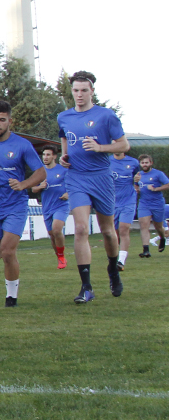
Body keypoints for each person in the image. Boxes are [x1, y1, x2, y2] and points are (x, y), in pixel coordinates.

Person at [56, 70, 129, 302]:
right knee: (80, 229)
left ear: (92, 91)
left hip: (101, 178)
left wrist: (100, 148)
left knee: (108, 231)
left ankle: (112, 270)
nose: (79, 95)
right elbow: (65, 137)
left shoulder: (106, 116)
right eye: (75, 90)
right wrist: (64, 157)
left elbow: (123, 145)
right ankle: (86, 287)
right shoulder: (64, 117)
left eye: (83, 90)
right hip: (77, 178)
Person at [0, 101, 46, 307]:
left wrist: (23, 185)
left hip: (15, 206)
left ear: (10, 121)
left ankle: (11, 297)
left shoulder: (22, 145)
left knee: (7, 250)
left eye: (2, 120)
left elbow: (40, 172)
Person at [32, 147, 71, 270]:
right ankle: (59, 256)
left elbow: (74, 184)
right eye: (44, 154)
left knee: (56, 229)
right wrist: (40, 187)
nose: (45, 157)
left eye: (48, 154)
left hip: (61, 205)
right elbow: (33, 188)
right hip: (47, 207)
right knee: (52, 234)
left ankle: (61, 257)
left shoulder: (63, 170)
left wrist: (69, 194)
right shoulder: (40, 172)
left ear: (54, 156)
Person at [108, 150, 140, 269]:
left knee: (124, 229)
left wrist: (136, 184)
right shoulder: (107, 161)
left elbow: (138, 177)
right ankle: (114, 255)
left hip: (128, 200)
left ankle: (121, 261)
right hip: (112, 202)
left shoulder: (133, 162)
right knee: (113, 232)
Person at [134, 154, 168, 258]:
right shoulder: (138, 175)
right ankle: (146, 250)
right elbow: (136, 187)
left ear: (151, 163)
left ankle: (162, 238)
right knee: (144, 225)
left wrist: (155, 189)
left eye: (146, 163)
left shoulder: (158, 174)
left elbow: (167, 184)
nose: (144, 165)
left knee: (158, 226)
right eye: (142, 163)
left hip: (157, 203)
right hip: (144, 203)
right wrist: (136, 187)